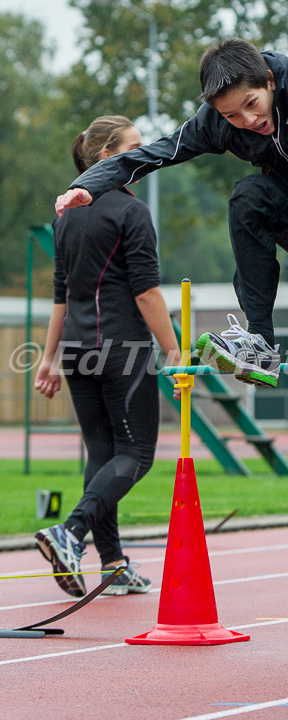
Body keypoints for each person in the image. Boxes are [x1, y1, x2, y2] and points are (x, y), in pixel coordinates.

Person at [55, 30, 288, 410]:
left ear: (269, 80)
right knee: (249, 195)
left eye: (252, 104)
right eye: (232, 115)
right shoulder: (215, 124)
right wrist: (88, 184)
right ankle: (260, 342)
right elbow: (155, 153)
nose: (249, 120)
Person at [35, 115, 182, 598]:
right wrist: (174, 349)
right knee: (136, 454)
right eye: (134, 148)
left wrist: (48, 359)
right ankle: (70, 532)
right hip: (121, 349)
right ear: (106, 157)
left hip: (78, 352)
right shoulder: (130, 211)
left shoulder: (66, 212)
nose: (143, 157)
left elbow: (61, 296)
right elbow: (145, 293)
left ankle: (114, 564)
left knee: (102, 453)